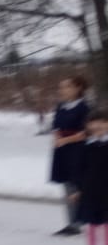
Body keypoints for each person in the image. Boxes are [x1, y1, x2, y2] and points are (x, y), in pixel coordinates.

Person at [50, 76, 91, 236]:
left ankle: (82, 220)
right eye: (61, 87)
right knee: (67, 185)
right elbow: (56, 126)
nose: (62, 90)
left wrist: (65, 140)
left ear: (78, 88)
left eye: (66, 87)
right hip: (62, 150)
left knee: (78, 186)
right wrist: (57, 138)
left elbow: (86, 132)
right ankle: (71, 222)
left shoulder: (84, 108)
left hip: (78, 150)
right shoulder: (61, 106)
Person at [74, 110, 108, 245]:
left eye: (103, 122)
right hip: (90, 192)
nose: (98, 125)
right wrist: (78, 189)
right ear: (88, 126)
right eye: (94, 122)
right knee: (91, 226)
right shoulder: (85, 147)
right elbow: (79, 170)